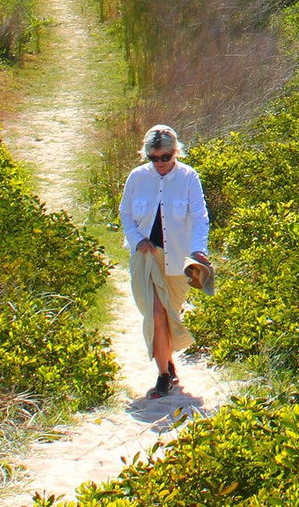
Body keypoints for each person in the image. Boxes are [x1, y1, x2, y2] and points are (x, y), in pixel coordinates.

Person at [118, 124, 210, 399]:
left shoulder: (188, 177)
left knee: (171, 312)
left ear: (175, 153)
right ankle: (163, 374)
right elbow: (125, 215)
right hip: (146, 256)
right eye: (153, 158)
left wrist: (198, 250)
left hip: (178, 257)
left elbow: (199, 216)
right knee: (156, 313)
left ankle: (167, 359)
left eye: (165, 157)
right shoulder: (137, 178)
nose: (159, 163)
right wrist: (137, 239)